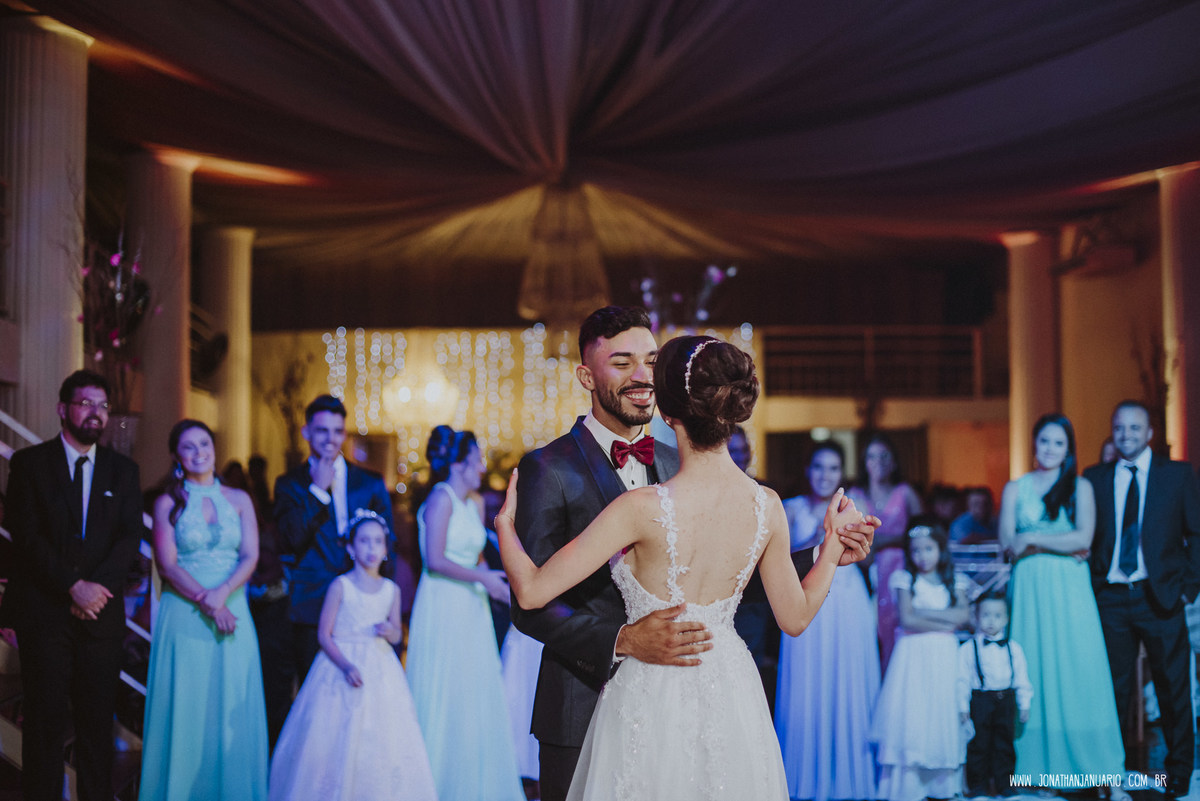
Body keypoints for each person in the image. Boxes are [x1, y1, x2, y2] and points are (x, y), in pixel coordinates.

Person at [497, 334, 878, 800]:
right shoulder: (767, 505)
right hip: (732, 694)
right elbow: (795, 619)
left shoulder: (639, 508)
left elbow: (532, 591)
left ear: (667, 412)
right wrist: (832, 550)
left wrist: (504, 527)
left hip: (649, 694)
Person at [509, 306, 701, 801]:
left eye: (650, 361)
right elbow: (529, 606)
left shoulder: (678, 462)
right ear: (586, 377)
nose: (642, 376)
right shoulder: (548, 468)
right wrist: (624, 640)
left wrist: (822, 555)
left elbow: (722, 571)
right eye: (622, 363)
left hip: (669, 702)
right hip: (580, 705)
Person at [0, 370, 143, 801]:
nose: (96, 413)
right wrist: (72, 586)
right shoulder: (30, 464)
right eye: (85, 403)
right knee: (43, 727)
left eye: (103, 405)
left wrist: (93, 591)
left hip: (101, 617)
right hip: (45, 615)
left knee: (96, 728)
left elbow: (128, 539)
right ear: (63, 409)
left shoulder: (123, 471)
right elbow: (26, 535)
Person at [268, 510, 437, 801]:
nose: (372, 548)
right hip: (341, 664)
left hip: (381, 667)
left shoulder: (391, 590)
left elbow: (397, 634)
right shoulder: (341, 586)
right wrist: (346, 666)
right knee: (334, 736)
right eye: (364, 541)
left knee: (382, 735)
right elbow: (325, 635)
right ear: (350, 547)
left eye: (378, 542)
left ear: (386, 549)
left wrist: (390, 631)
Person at [139, 419, 268, 800]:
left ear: (214, 448)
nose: (199, 452)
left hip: (234, 607)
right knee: (188, 707)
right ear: (176, 456)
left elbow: (250, 555)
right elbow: (167, 565)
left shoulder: (240, 499)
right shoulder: (166, 503)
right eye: (189, 447)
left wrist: (222, 594)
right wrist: (206, 601)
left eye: (204, 444)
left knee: (232, 702)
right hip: (185, 612)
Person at [1000, 413, 1126, 794]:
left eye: (1059, 442)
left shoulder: (1080, 486)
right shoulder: (1015, 488)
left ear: (1068, 448)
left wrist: (1033, 539)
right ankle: (1041, 772)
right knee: (1033, 670)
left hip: (1070, 590)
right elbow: (1008, 542)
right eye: (1044, 441)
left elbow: (1083, 538)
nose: (1050, 449)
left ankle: (1102, 770)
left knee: (1082, 671)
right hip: (1029, 589)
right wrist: (1056, 542)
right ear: (1034, 443)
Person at [1084, 401, 1200, 801]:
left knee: (1173, 689)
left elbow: (1196, 533)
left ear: (1150, 432)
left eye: (1135, 428)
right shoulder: (1094, 477)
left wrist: (1188, 588)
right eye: (1120, 428)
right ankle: (1110, 774)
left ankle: (1179, 775)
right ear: (1112, 431)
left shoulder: (1177, 475)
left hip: (1161, 596)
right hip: (1110, 598)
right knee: (1110, 690)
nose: (1126, 435)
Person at [406, 426, 525, 801]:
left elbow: (475, 556)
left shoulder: (473, 501)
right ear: (458, 464)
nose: (481, 468)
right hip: (443, 602)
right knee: (446, 684)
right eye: (476, 461)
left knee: (474, 686)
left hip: (471, 605)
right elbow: (435, 560)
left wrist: (495, 584)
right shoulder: (440, 499)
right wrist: (483, 579)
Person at [775, 441, 879, 801]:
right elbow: (781, 561)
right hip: (805, 594)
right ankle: (805, 779)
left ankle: (850, 779)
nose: (825, 475)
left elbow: (866, 557)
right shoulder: (790, 508)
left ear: (842, 473)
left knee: (847, 679)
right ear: (808, 470)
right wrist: (825, 535)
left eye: (833, 468)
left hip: (848, 599)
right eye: (819, 467)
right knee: (808, 682)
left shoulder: (855, 506)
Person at [275, 394, 394, 681]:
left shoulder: (369, 483)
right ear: (306, 432)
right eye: (322, 430)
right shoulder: (290, 484)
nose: (330, 438)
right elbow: (289, 540)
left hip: (363, 600)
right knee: (314, 686)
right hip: (312, 601)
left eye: (337, 431)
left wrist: (384, 600)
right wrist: (317, 491)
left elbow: (388, 543)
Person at [870, 520, 971, 801]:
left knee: (941, 708)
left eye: (928, 549)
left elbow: (963, 616)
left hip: (944, 655)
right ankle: (909, 785)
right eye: (916, 551)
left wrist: (924, 615)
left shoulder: (955, 580)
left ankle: (941, 785)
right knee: (914, 710)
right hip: (912, 655)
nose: (922, 556)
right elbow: (907, 619)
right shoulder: (904, 579)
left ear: (940, 549)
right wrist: (945, 620)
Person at [847, 433, 922, 670]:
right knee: (866, 630)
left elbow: (922, 534)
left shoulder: (905, 493)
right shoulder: (855, 495)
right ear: (864, 462)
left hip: (899, 568)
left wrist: (883, 540)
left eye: (884, 456)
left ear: (894, 461)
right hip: (864, 570)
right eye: (872, 457)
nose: (878, 462)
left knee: (897, 628)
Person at [957, 592, 1032, 799]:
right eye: (986, 615)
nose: (991, 621)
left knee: (1004, 744)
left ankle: (1005, 785)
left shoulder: (1014, 648)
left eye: (997, 616)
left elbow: (1022, 678)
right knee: (978, 744)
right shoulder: (968, 649)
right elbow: (962, 681)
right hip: (980, 700)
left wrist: (1024, 704)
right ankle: (978, 786)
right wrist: (963, 707)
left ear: (1006, 619)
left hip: (1005, 700)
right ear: (976, 617)